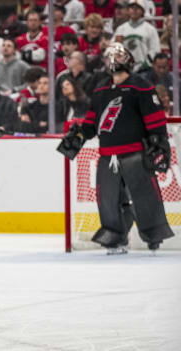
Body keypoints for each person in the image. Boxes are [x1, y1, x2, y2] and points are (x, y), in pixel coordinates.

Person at [58, 43, 175, 253]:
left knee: (145, 197)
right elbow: (92, 122)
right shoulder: (101, 88)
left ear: (128, 61)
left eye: (119, 57)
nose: (114, 60)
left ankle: (153, 237)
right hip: (107, 156)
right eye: (112, 57)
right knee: (108, 200)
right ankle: (115, 237)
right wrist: (79, 135)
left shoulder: (141, 86)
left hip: (136, 154)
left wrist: (159, 142)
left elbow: (155, 119)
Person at [112, 0, 160, 72]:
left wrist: (146, 63)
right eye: (132, 8)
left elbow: (155, 49)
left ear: (143, 11)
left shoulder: (150, 29)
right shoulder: (121, 29)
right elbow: (115, 46)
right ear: (128, 10)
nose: (134, 10)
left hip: (144, 69)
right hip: (125, 68)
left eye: (137, 8)